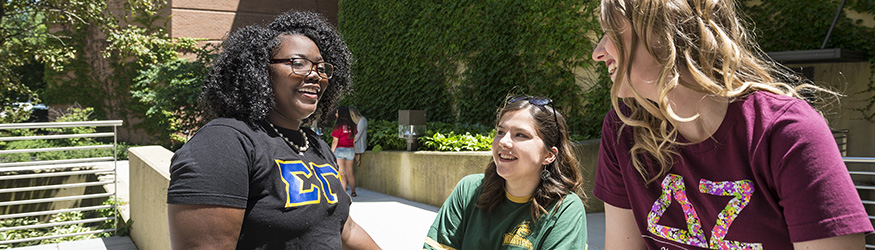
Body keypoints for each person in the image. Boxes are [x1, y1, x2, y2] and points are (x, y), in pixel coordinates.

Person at [590, 0, 873, 249]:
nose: (598, 52)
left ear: (666, 29)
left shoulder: (786, 132)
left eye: (611, 32)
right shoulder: (624, 127)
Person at [166, 11, 380, 249]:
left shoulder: (316, 145)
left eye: (321, 67)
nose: (315, 75)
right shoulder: (223, 143)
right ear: (260, 71)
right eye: (298, 63)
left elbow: (345, 229)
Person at [424, 96, 588, 250]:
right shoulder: (468, 190)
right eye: (500, 132)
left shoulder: (564, 209)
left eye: (520, 135)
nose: (503, 142)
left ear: (548, 155)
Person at [332, 106, 357, 196]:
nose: (336, 114)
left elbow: (335, 141)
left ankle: (343, 194)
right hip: (350, 149)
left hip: (340, 150)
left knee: (342, 173)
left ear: (340, 114)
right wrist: (356, 152)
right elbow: (354, 140)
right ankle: (353, 192)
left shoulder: (338, 126)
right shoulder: (353, 125)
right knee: (350, 172)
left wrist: (331, 152)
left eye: (337, 112)